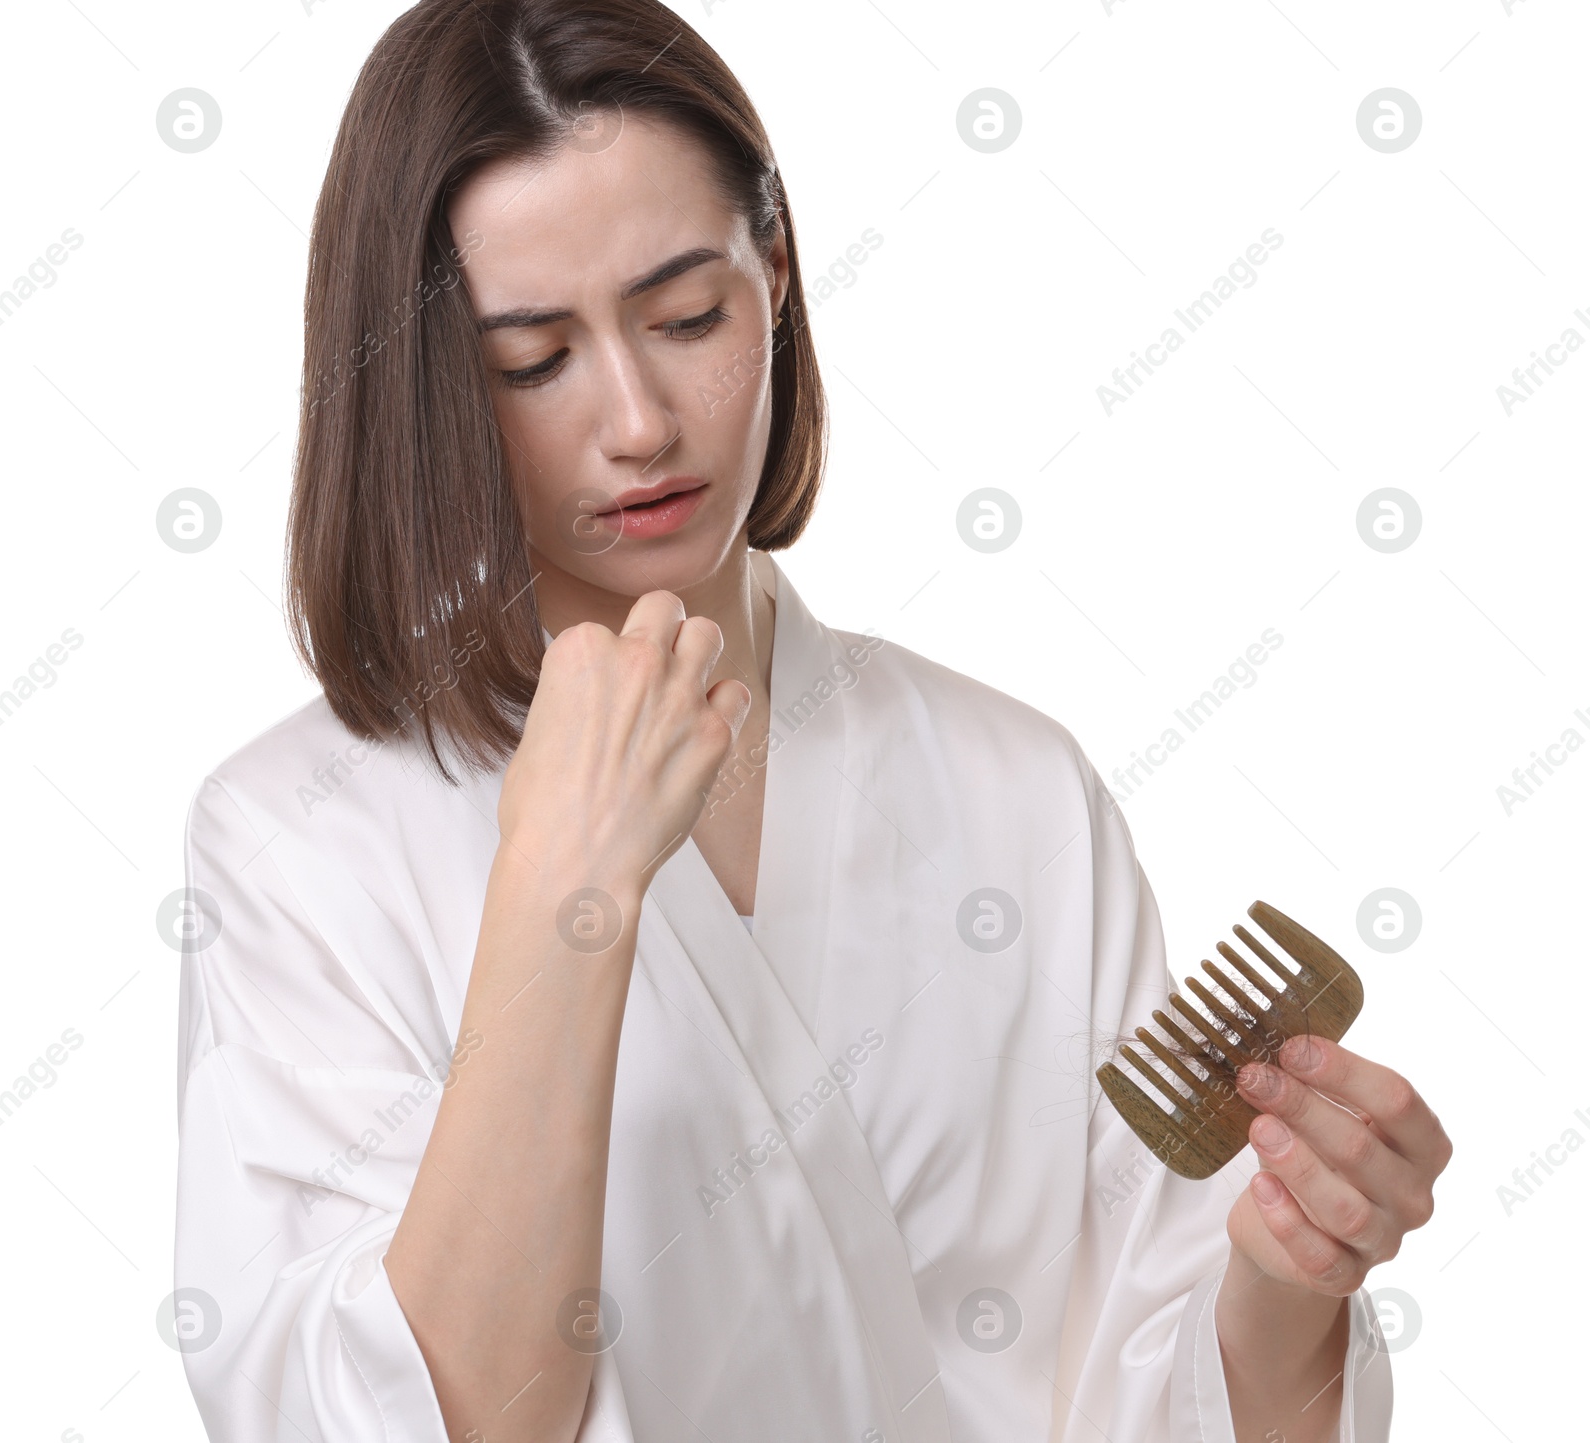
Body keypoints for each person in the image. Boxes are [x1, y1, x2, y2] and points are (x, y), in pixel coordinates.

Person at [171, 2, 1450, 1440]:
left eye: (686, 317)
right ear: (427, 386)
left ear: (774, 272)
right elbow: (375, 1419)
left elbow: (1163, 1390)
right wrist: (563, 896)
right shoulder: (299, 841)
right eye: (533, 360)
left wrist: (1288, 1278)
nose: (641, 420)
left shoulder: (1012, 789)